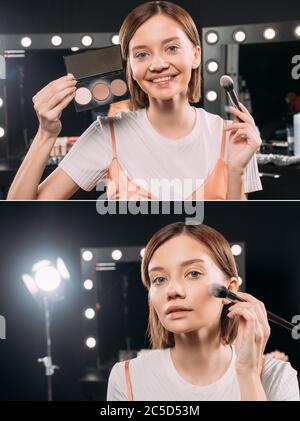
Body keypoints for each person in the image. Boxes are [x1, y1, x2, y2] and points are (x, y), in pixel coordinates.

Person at [8, 1, 263, 200]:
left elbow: (231, 230)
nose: (159, 64)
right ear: (129, 66)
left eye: (171, 48)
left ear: (196, 55)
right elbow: (20, 211)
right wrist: (46, 133)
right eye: (141, 54)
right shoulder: (107, 134)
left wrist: (236, 171)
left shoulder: (232, 136)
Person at [107, 222, 299, 401]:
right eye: (159, 279)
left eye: (193, 273)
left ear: (230, 289)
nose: (173, 290)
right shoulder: (127, 378)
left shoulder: (278, 376)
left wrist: (248, 374)